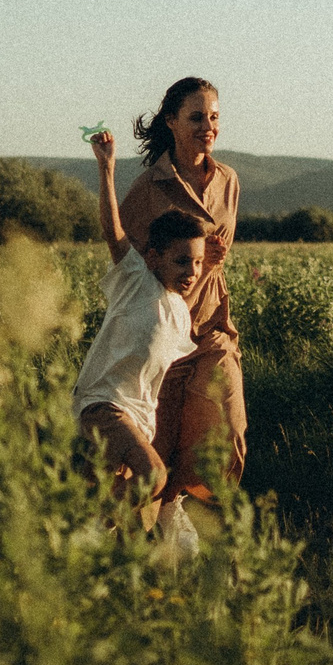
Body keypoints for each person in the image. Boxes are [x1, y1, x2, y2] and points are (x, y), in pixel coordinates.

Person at [116, 76, 244, 507]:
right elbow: (129, 269)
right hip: (163, 338)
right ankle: (147, 537)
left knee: (225, 436)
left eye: (213, 117)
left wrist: (213, 260)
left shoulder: (228, 180)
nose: (207, 126)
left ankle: (191, 516)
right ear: (171, 121)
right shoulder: (147, 191)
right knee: (160, 446)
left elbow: (216, 262)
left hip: (211, 331)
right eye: (196, 117)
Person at [71, 126, 207, 524]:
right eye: (182, 261)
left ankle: (76, 530)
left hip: (137, 420)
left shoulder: (180, 312)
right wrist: (107, 168)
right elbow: (113, 232)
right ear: (151, 256)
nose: (192, 271)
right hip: (102, 406)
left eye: (197, 263)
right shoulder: (136, 280)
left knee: (122, 512)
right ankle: (88, 521)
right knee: (154, 477)